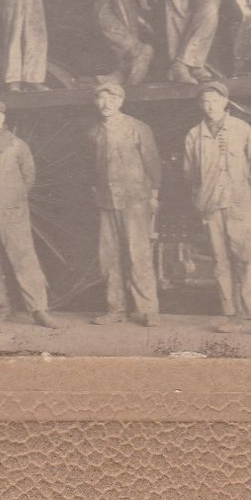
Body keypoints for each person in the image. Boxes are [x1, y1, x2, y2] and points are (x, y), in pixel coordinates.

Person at [182, 81, 251, 337]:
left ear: (224, 102)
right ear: (201, 105)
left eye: (214, 100)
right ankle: (231, 316)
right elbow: (189, 174)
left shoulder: (241, 129)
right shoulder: (194, 135)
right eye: (205, 102)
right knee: (221, 263)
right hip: (211, 207)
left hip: (239, 205)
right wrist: (201, 198)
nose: (210, 106)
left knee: (248, 260)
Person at [0, 100, 62, 329]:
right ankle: (0, 308)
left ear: (3, 119)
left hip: (12, 214)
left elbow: (29, 177)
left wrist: (13, 201)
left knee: (25, 262)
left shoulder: (18, 146)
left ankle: (39, 310)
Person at [87, 81, 161, 326]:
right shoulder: (94, 132)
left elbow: (152, 164)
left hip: (135, 199)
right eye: (101, 99)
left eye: (112, 98)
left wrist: (153, 195)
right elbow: (93, 168)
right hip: (107, 202)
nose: (106, 104)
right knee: (109, 257)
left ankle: (148, 310)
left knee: (138, 254)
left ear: (121, 101)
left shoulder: (137, 128)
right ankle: (115, 310)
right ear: (96, 103)